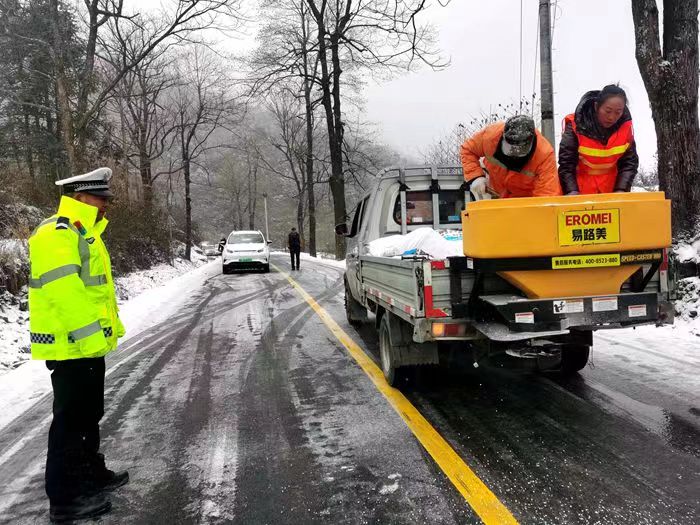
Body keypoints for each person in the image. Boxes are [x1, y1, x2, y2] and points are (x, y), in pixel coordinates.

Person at [29, 167, 128, 523]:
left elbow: (97, 292)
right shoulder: (56, 234)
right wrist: (90, 338)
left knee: (88, 416)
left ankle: (90, 474)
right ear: (81, 197)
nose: (106, 206)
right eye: (101, 199)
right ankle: (66, 499)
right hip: (70, 346)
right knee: (70, 422)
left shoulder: (83, 233)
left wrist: (103, 336)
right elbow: (64, 292)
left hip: (85, 346)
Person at [558, 84, 639, 194]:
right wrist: (571, 191)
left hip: (613, 192)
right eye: (608, 111)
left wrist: (621, 189)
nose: (612, 117)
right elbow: (566, 164)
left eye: (618, 112)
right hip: (579, 191)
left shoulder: (625, 129)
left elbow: (629, 163)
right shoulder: (575, 126)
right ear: (596, 106)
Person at [460, 114, 561, 199]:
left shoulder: (544, 155)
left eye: (520, 150)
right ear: (503, 136)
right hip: (495, 194)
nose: (514, 153)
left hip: (526, 202)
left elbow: (547, 195)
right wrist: (476, 177)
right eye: (509, 147)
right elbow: (468, 150)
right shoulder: (489, 137)